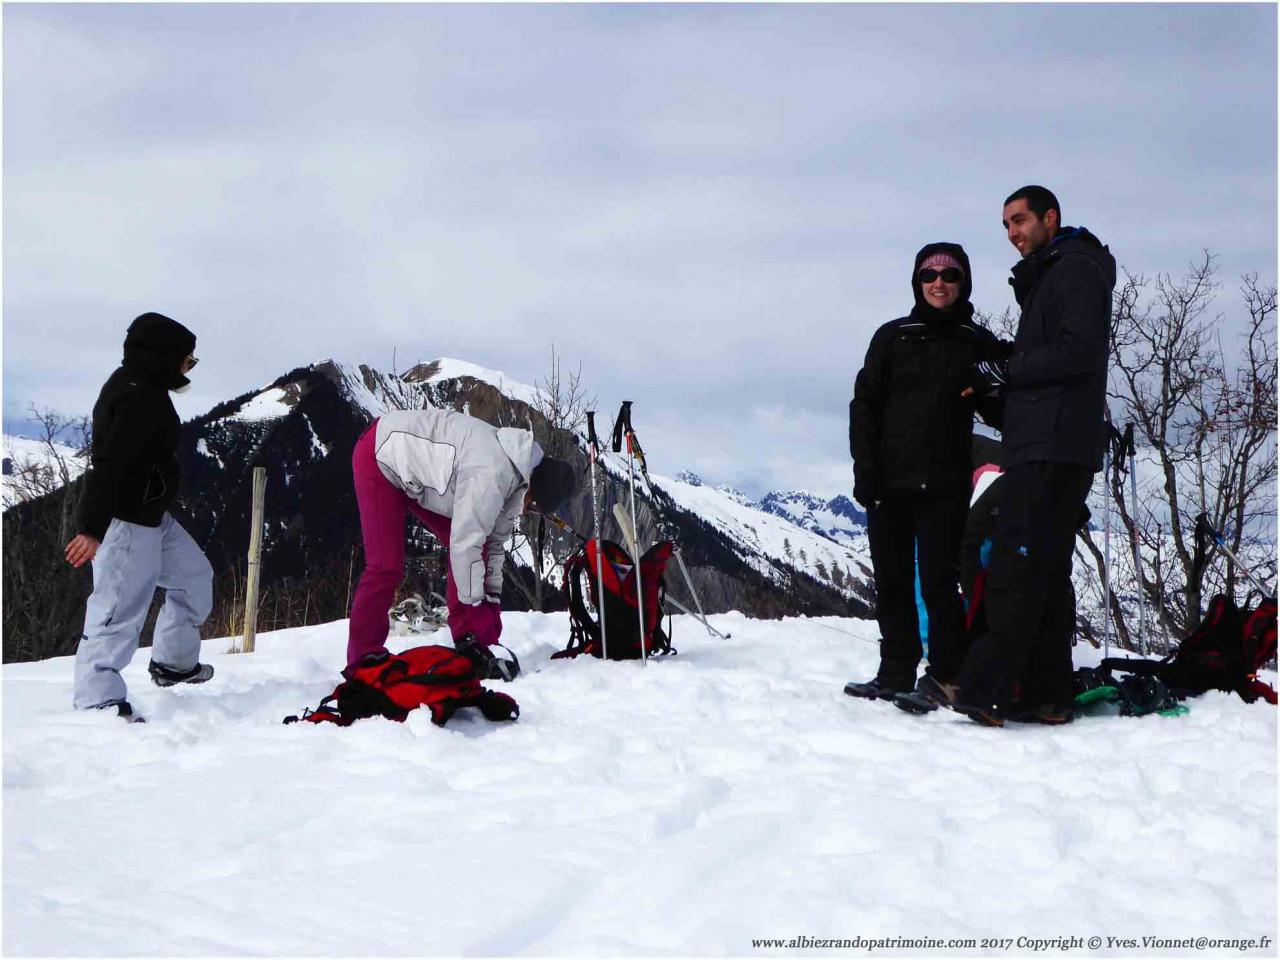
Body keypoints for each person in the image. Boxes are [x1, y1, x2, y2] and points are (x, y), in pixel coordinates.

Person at [953, 185, 1116, 726]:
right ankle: (1045, 695)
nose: (1012, 233)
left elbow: (1078, 351)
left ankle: (985, 692)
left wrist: (1005, 371)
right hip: (1052, 441)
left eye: (1020, 220)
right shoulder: (1055, 273)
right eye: (1005, 225)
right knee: (1044, 570)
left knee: (1014, 567)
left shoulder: (1073, 269)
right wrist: (1000, 396)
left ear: (1051, 217)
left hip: (1051, 447)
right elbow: (1055, 371)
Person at [845, 243, 1003, 706]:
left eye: (949, 276)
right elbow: (865, 408)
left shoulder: (978, 342)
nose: (939, 283)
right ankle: (894, 671)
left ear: (963, 283)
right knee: (892, 581)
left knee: (939, 584)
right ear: (917, 281)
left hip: (946, 484)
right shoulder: (893, 337)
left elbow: (997, 409)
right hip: (889, 483)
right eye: (929, 275)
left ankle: (945, 677)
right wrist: (866, 473)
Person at [348, 409, 578, 680]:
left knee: (475, 547)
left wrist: (490, 614)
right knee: (385, 566)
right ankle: (362, 658)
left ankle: (472, 640)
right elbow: (465, 546)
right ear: (535, 488)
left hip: (415, 476)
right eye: (536, 506)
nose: (530, 511)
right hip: (380, 455)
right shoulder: (492, 473)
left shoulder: (516, 480)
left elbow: (492, 545)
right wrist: (474, 611)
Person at [67, 312, 215, 723]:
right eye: (189, 359)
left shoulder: (144, 387)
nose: (190, 367)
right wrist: (92, 528)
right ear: (165, 356)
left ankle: (174, 663)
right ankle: (97, 699)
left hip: (151, 518)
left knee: (194, 577)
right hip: (124, 523)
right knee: (117, 609)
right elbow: (108, 464)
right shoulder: (136, 397)